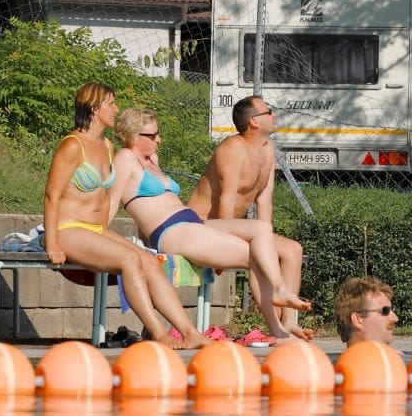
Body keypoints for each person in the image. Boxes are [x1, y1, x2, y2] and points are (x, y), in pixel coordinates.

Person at [109, 107, 310, 340]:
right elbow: (113, 203)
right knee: (255, 256)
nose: (158, 140)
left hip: (192, 221)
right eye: (152, 136)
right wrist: (103, 233)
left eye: (157, 134)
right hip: (172, 231)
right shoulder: (124, 158)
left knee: (262, 229)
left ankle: (279, 292)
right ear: (134, 134)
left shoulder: (152, 158)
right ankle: (278, 327)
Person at [43, 82, 209, 350]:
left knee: (149, 260)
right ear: (94, 108)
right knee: (130, 259)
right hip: (69, 229)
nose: (116, 109)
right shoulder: (72, 146)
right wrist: (52, 243)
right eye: (111, 103)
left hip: (94, 230)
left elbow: (108, 197)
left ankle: (189, 332)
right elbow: (52, 196)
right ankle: (159, 334)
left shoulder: (105, 145)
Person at [187, 95, 307, 334]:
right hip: (200, 227)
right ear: (254, 121)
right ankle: (276, 329)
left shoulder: (267, 149)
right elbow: (227, 200)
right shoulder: (232, 148)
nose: (274, 115)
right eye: (269, 111)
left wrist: (266, 240)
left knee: (292, 250)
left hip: (238, 228)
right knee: (259, 256)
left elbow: (264, 199)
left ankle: (290, 323)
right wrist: (230, 242)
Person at [335, 277, 399, 347]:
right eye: (385, 311)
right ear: (357, 319)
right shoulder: (394, 357)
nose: (395, 318)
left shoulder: (394, 357)